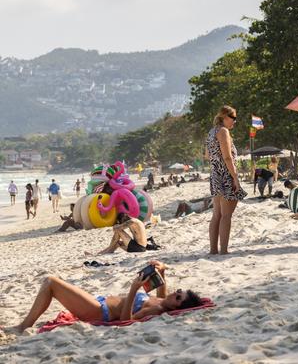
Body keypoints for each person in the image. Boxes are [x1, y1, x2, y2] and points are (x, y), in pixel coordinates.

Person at [9, 260, 202, 333]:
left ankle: (23, 326)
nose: (174, 294)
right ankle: (24, 324)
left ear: (177, 308)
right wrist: (162, 271)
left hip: (100, 312)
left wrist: (134, 289)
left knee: (51, 282)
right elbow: (161, 293)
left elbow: (127, 320)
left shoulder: (158, 308)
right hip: (100, 302)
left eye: (178, 298)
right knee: (55, 282)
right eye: (178, 292)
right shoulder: (163, 301)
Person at [206, 105, 247, 255]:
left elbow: (207, 155)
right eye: (233, 118)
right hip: (226, 175)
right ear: (225, 116)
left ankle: (213, 250)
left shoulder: (212, 132)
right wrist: (235, 177)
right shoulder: (223, 131)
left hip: (215, 175)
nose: (235, 121)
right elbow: (228, 157)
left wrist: (216, 166)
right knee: (226, 215)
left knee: (216, 215)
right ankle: (223, 250)